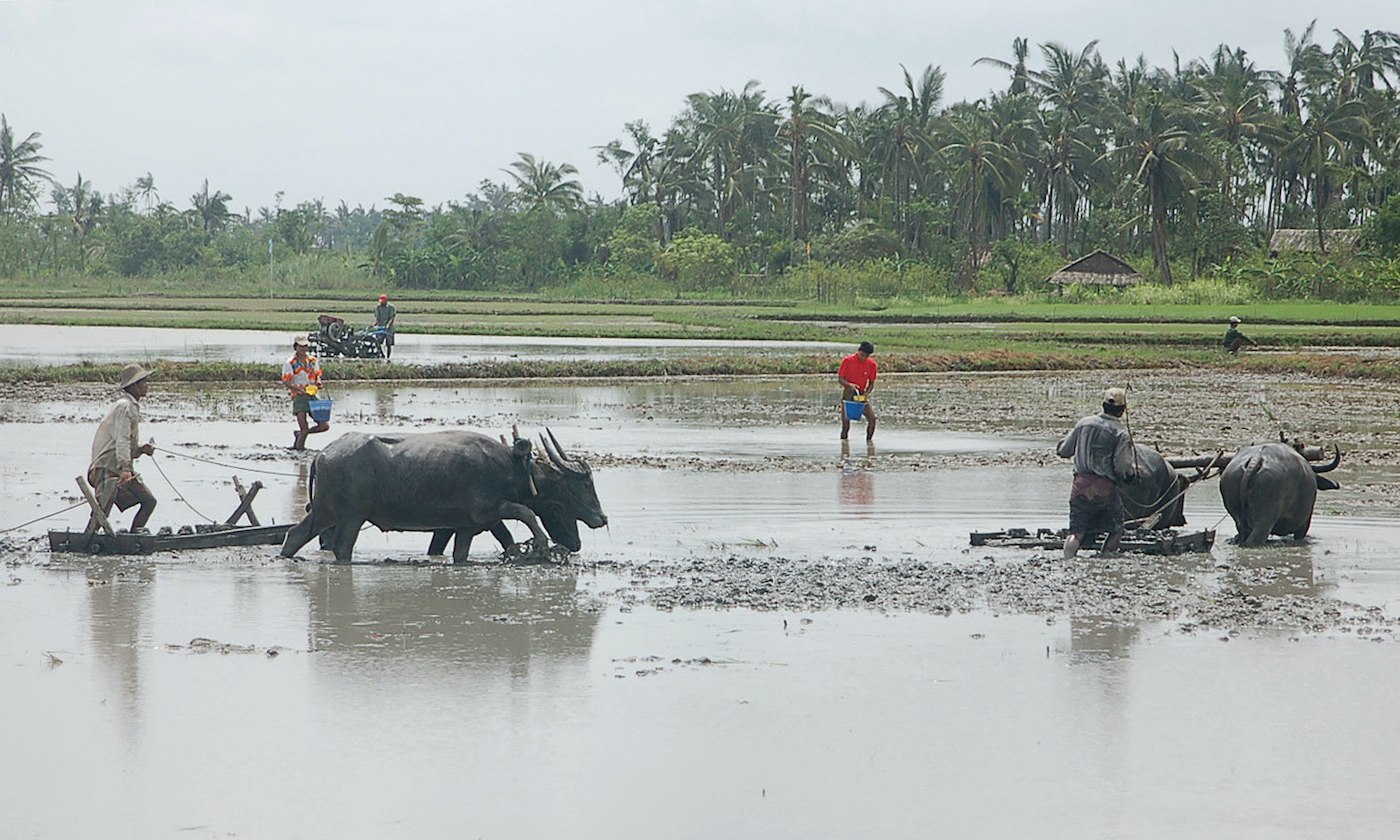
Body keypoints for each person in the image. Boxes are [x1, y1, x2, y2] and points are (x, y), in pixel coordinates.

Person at [1056, 387, 1141, 559]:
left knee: (1076, 532)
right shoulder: (1120, 433)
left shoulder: (1084, 423)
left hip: (1080, 486)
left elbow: (1064, 451)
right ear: (1122, 411)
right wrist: (1132, 475)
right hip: (1104, 488)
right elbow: (1121, 467)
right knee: (1117, 528)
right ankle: (1106, 558)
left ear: (1103, 405)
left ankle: (1067, 561)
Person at [88, 364, 158, 531]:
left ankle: (134, 537)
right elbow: (122, 440)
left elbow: (128, 447)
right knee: (103, 508)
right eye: (144, 382)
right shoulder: (124, 406)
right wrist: (126, 469)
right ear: (133, 386)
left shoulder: (131, 407)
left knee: (149, 501)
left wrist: (141, 450)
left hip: (116, 466)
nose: (147, 385)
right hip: (106, 467)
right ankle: (89, 537)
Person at [284, 335, 329, 450]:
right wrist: (299, 389)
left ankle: (300, 435)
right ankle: (299, 452)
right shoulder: (290, 363)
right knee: (304, 427)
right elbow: (287, 381)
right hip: (299, 397)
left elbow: (318, 374)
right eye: (301, 346)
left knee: (324, 426)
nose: (303, 349)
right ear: (296, 347)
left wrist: (318, 382)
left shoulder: (312, 361)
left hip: (313, 395)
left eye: (305, 346)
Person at [837, 340, 878, 441]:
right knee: (846, 424)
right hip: (848, 393)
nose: (863, 358)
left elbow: (872, 383)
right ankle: (844, 447)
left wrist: (867, 393)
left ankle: (869, 442)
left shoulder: (872, 364)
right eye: (862, 355)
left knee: (872, 419)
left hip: (861, 394)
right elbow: (840, 379)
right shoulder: (848, 361)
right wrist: (849, 385)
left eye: (866, 356)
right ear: (858, 351)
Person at [374, 293, 397, 360]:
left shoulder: (391, 307)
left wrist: (388, 325)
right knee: (377, 342)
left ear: (386, 301)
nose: (381, 303)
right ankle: (382, 355)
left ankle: (388, 357)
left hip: (389, 329)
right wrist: (375, 324)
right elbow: (377, 318)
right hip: (380, 328)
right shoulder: (378, 307)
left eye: (383, 301)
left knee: (388, 345)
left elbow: (392, 318)